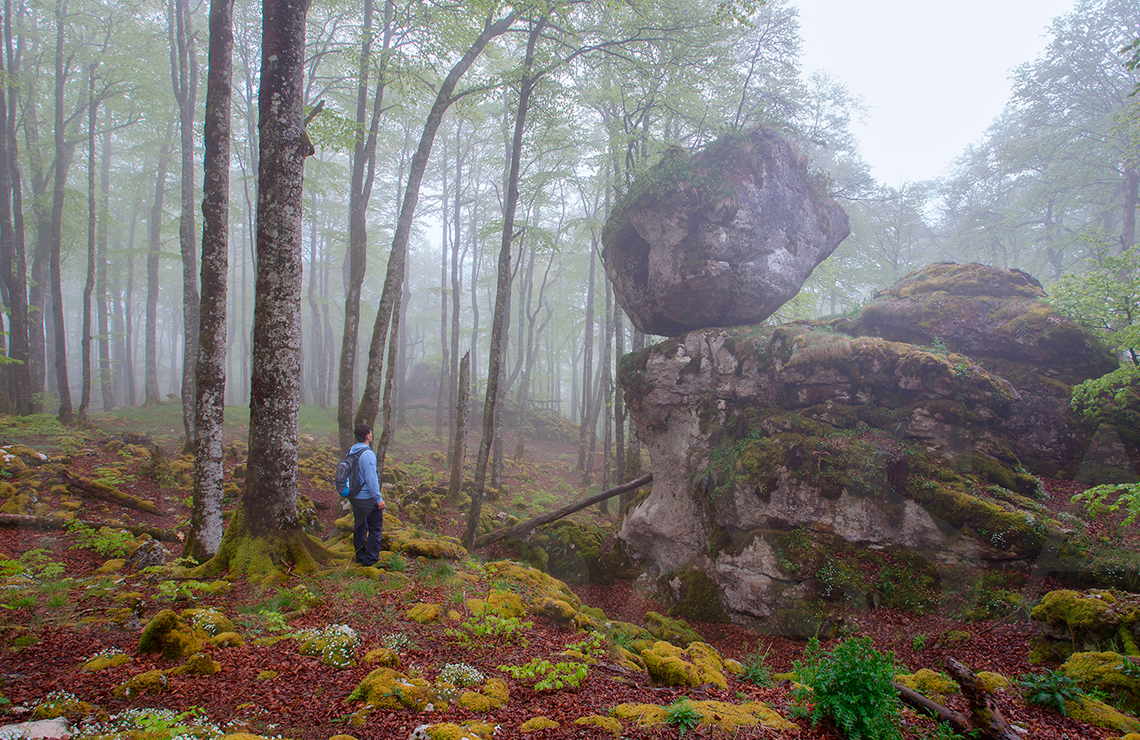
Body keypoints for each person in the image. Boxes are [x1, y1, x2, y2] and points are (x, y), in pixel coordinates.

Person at [348, 423, 385, 566]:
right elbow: (371, 479)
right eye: (370, 433)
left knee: (359, 526)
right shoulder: (368, 454)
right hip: (367, 498)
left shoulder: (352, 450)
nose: (371, 435)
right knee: (375, 528)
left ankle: (360, 556)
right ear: (367, 436)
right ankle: (370, 561)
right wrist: (379, 499)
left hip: (354, 496)